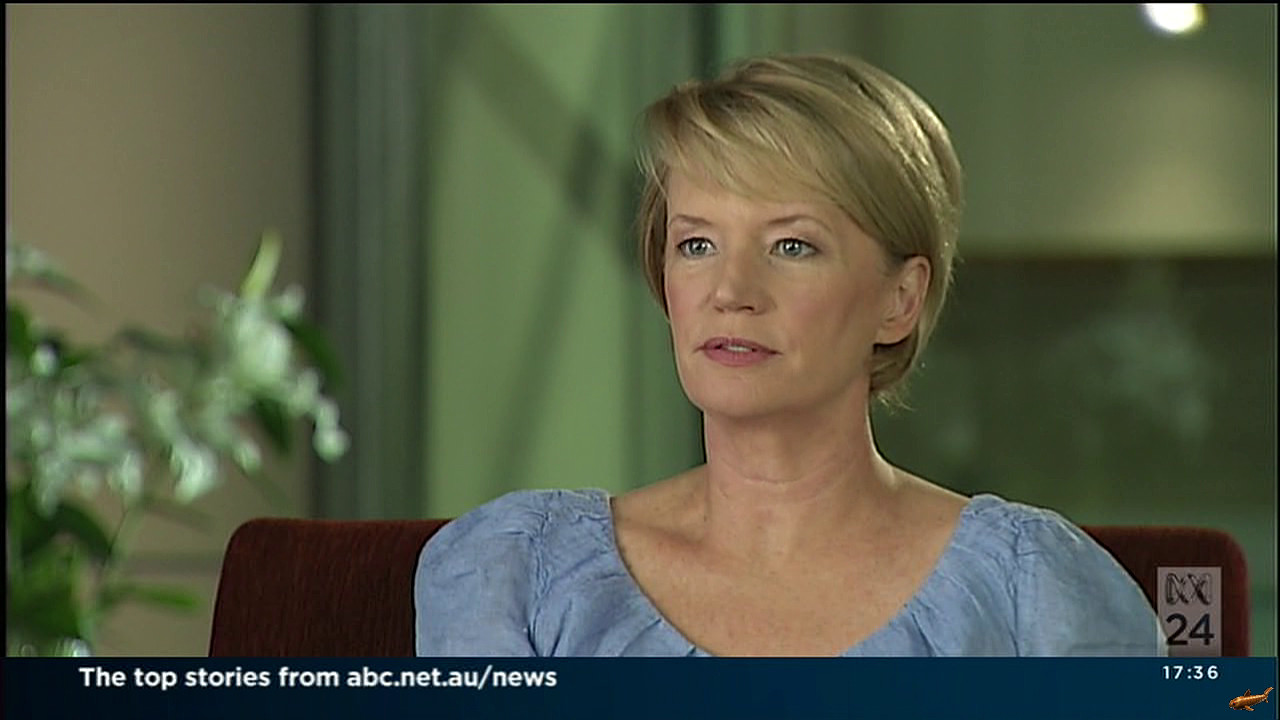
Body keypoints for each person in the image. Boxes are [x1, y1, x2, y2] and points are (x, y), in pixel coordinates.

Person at [414, 53, 1164, 656]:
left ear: (899, 300)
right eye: (697, 244)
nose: (731, 290)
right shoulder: (519, 575)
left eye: (792, 246)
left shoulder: (1034, 593)